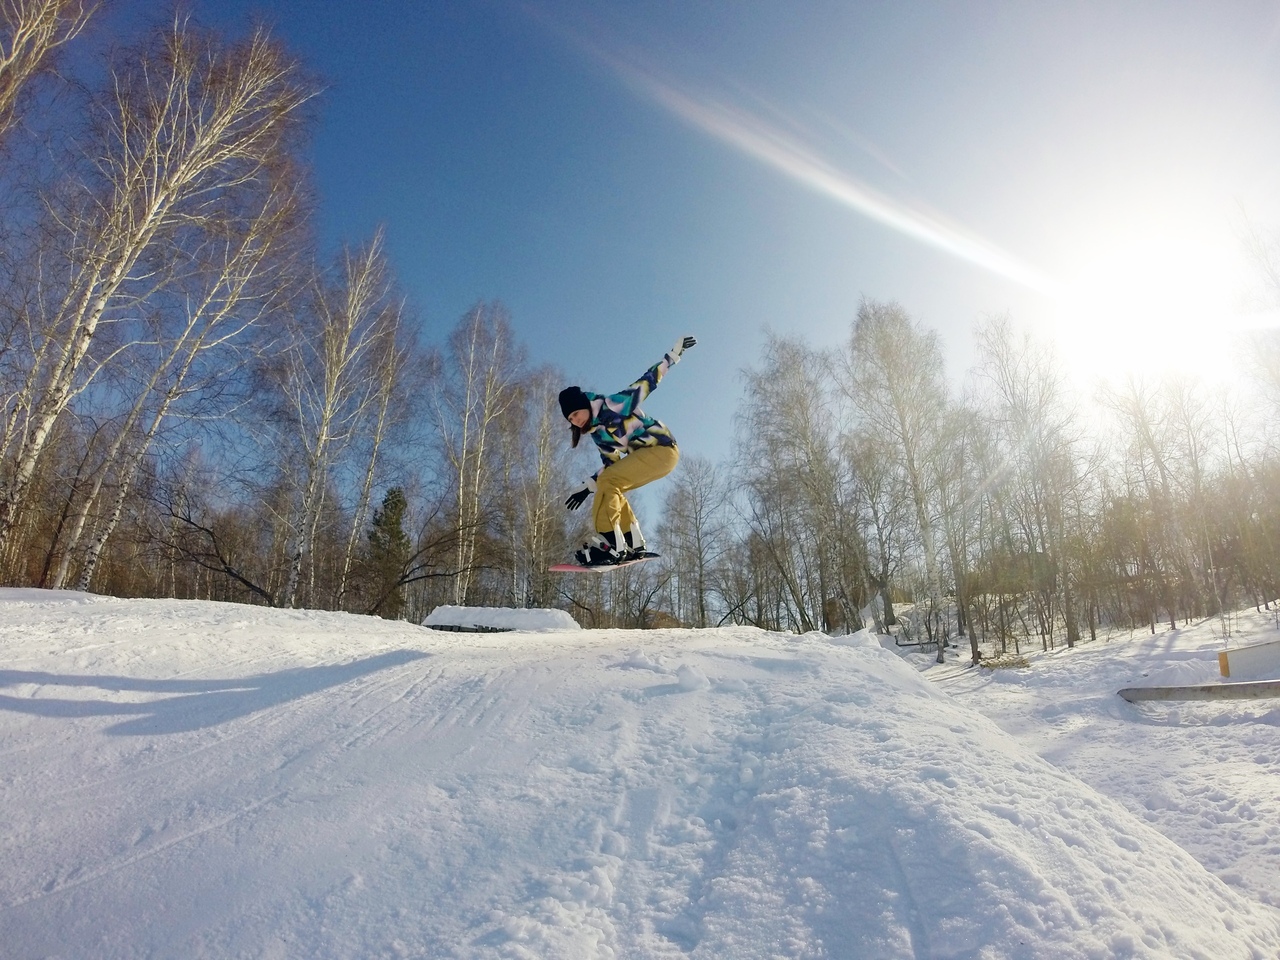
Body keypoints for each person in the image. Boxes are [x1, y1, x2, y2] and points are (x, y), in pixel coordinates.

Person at [559, 335, 697, 566]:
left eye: (576, 414)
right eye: (571, 419)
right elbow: (612, 467)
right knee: (612, 484)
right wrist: (588, 487)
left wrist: (672, 356)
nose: (575, 421)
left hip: (662, 449)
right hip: (651, 458)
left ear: (584, 404)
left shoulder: (613, 405)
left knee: (610, 482)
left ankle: (609, 541)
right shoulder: (598, 435)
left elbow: (646, 383)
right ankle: (632, 541)